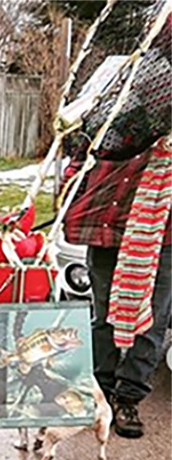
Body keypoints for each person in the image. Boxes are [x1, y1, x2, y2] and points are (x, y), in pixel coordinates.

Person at [61, 134, 171, 439]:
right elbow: (78, 168)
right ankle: (98, 394)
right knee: (103, 315)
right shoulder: (115, 122)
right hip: (109, 231)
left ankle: (128, 399)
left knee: (152, 320)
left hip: (163, 237)